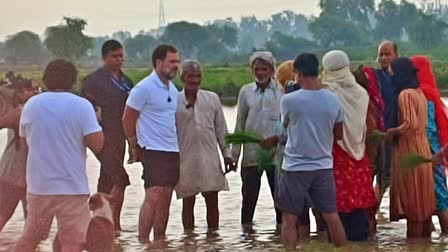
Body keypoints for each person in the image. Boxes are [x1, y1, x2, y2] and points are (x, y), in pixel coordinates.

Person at [14, 59, 104, 251]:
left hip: (38, 185)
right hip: (71, 186)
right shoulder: (82, 105)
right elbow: (97, 145)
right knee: (74, 241)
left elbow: (24, 144)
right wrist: (97, 121)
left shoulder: (31, 105)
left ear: (46, 79)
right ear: (73, 80)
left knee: (31, 237)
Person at [277, 53, 346, 250]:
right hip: (324, 166)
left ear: (297, 73)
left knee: (289, 219)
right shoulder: (333, 100)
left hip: (294, 167)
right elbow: (338, 135)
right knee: (332, 216)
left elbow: (283, 127)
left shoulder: (289, 100)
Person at [122, 44, 180, 245]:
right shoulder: (143, 88)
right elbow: (128, 118)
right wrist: (133, 145)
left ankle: (160, 242)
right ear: (158, 62)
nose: (176, 66)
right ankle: (143, 242)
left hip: (173, 150)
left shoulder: (173, 89)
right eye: (172, 61)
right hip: (152, 149)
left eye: (177, 62)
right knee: (154, 195)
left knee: (166, 197)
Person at [321, 50, 378, 241]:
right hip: (358, 154)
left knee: (335, 208)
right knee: (358, 206)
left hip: (335, 154)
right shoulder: (361, 93)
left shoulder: (325, 92)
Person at [175, 60, 234, 232]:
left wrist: (227, 154)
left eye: (197, 76)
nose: (194, 80)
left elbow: (222, 130)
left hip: (209, 158)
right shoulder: (173, 101)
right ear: (182, 78)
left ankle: (213, 241)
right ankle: (189, 241)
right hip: (185, 159)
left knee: (212, 203)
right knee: (188, 203)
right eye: (190, 76)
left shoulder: (212, 99)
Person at [82, 40, 133, 231]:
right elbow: (87, 109)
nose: (119, 59)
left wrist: (133, 142)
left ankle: (106, 224)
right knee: (121, 178)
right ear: (104, 58)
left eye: (121, 55)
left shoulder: (126, 81)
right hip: (101, 136)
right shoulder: (92, 82)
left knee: (107, 179)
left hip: (121, 136)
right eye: (114, 56)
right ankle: (110, 224)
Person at [385, 57, 436, 238]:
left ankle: (413, 246)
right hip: (422, 148)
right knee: (422, 202)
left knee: (413, 203)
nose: (390, 74)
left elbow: (410, 124)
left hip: (409, 150)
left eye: (392, 72)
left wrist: (391, 132)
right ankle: (424, 245)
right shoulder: (419, 93)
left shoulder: (405, 94)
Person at [232, 51, 283, 229]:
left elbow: (286, 121)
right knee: (248, 198)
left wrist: (277, 138)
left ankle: (281, 236)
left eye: (264, 68)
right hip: (251, 156)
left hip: (276, 156)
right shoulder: (246, 92)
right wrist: (234, 155)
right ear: (252, 69)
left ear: (271, 70)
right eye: (257, 68)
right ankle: (247, 237)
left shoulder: (281, 91)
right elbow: (240, 123)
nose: (260, 72)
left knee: (280, 199)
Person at [411, 55, 448, 234]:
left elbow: (427, 128)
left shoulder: (421, 94)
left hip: (429, 153)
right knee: (437, 195)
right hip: (436, 152)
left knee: (440, 199)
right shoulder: (431, 92)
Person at [0, 78, 39, 231]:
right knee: (4, 213)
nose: (36, 92)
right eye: (32, 89)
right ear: (21, 92)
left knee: (31, 217)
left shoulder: (27, 110)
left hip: (28, 171)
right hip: (14, 171)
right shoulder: (19, 112)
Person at [376, 41, 399, 198]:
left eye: (387, 54)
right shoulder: (375, 79)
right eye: (381, 54)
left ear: (396, 55)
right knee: (382, 180)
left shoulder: (404, 77)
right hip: (382, 136)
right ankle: (371, 219)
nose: (384, 58)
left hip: (401, 135)